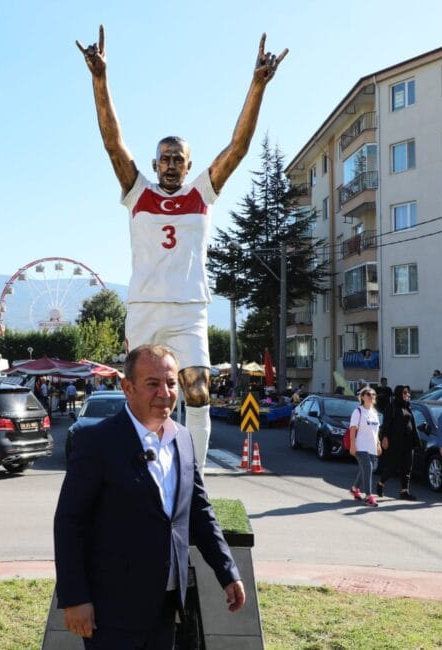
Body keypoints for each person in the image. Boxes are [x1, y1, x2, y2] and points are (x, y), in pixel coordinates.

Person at [76, 26, 287, 471]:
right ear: (155, 165)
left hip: (190, 308)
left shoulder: (201, 194)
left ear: (189, 165)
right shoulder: (138, 193)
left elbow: (240, 147)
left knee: (197, 393)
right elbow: (112, 143)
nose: (172, 164)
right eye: (165, 158)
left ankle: (193, 481)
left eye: (179, 159)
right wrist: (100, 79)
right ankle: (138, 470)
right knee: (141, 391)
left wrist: (257, 86)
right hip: (147, 307)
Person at [54, 344, 244, 647]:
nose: (164, 393)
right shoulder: (96, 442)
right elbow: (69, 522)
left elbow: (199, 510)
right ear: (127, 387)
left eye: (170, 383)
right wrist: (75, 597)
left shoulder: (182, 439)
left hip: (167, 605)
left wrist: (227, 572)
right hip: (111, 611)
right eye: (152, 384)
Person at [377, 385, 420, 500]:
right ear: (399, 394)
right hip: (396, 441)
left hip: (408, 442)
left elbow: (412, 424)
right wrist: (385, 437)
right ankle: (381, 483)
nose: (408, 395)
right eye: (405, 393)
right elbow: (386, 423)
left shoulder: (408, 407)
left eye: (408, 393)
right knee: (392, 466)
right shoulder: (392, 407)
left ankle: (404, 491)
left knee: (407, 467)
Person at [348, 387, 382, 507]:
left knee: (366, 470)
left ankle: (354, 488)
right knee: (367, 468)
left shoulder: (374, 412)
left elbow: (376, 430)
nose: (371, 396)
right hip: (360, 446)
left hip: (372, 446)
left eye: (373, 394)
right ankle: (368, 496)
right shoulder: (358, 411)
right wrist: (353, 445)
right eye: (368, 394)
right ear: (362, 397)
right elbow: (353, 429)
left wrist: (378, 444)